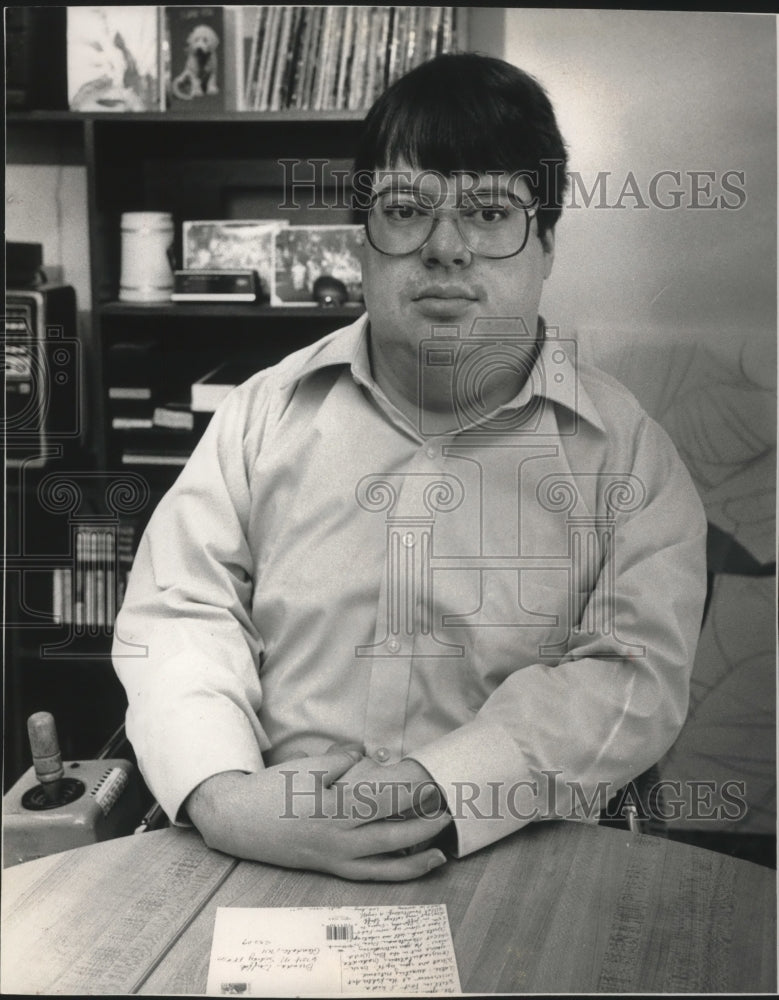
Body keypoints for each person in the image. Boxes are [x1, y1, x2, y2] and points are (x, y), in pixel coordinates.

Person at [113, 53, 706, 881]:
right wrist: (220, 793)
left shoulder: (626, 452)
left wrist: (446, 787)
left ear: (544, 246)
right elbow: (179, 616)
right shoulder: (259, 417)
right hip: (264, 841)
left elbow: (631, 673)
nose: (446, 250)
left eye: (489, 212)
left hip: (516, 845)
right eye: (405, 211)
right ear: (362, 243)